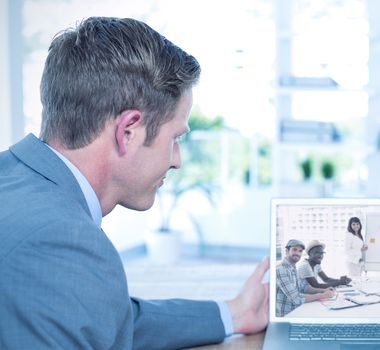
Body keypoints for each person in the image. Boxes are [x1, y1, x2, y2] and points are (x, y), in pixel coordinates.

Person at [0, 17, 269, 349]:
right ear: (128, 131)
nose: (177, 160)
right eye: (175, 138)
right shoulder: (61, 240)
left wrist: (234, 313)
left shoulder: (10, 178)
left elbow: (101, 319)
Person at [275, 239, 335, 317]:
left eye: (300, 251)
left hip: (298, 311)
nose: (297, 253)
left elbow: (304, 287)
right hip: (287, 316)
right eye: (294, 250)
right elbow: (296, 299)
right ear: (286, 251)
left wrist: (324, 290)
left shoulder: (293, 268)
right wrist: (323, 295)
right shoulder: (281, 270)